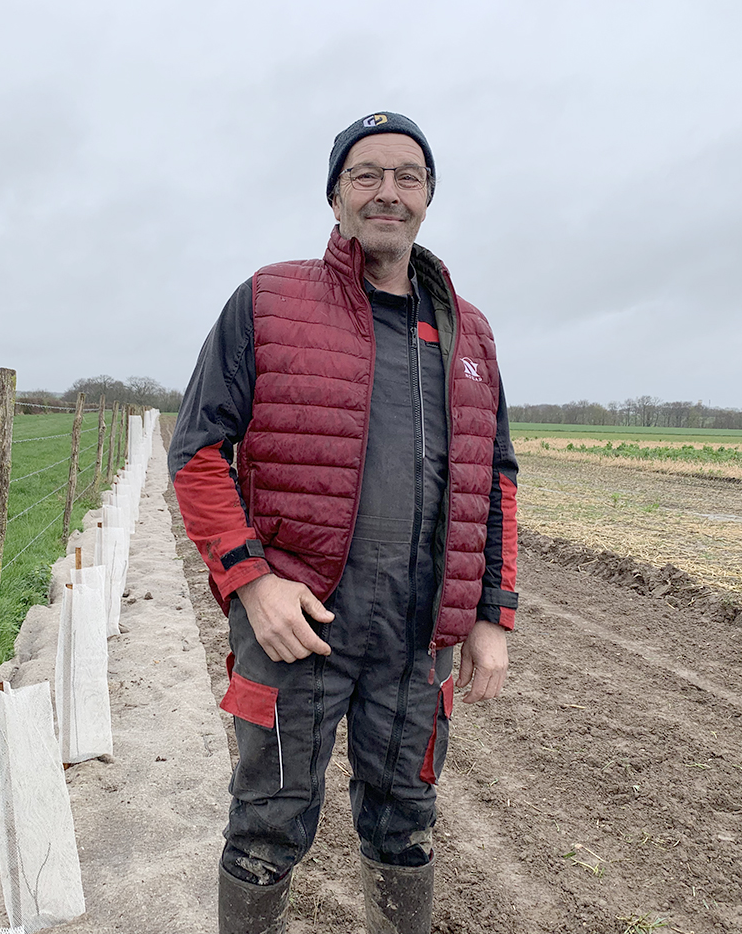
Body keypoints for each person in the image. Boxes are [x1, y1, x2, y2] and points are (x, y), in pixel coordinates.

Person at [169, 111, 518, 934]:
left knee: (405, 823)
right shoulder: (268, 299)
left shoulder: (470, 331)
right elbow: (196, 452)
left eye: (407, 175)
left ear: (428, 195)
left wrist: (489, 617)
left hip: (417, 634)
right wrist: (253, 584)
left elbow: (494, 475)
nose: (386, 191)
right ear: (334, 196)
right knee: (266, 823)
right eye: (366, 174)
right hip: (299, 624)